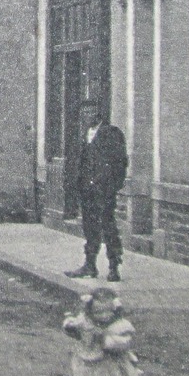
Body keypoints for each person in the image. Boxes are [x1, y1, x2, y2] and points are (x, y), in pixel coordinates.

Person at [64, 118, 128, 282]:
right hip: (87, 189)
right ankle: (90, 264)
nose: (87, 114)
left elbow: (120, 162)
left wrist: (112, 186)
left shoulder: (112, 133)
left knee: (108, 226)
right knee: (89, 227)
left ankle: (114, 266)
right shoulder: (86, 133)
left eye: (91, 110)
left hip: (104, 190)